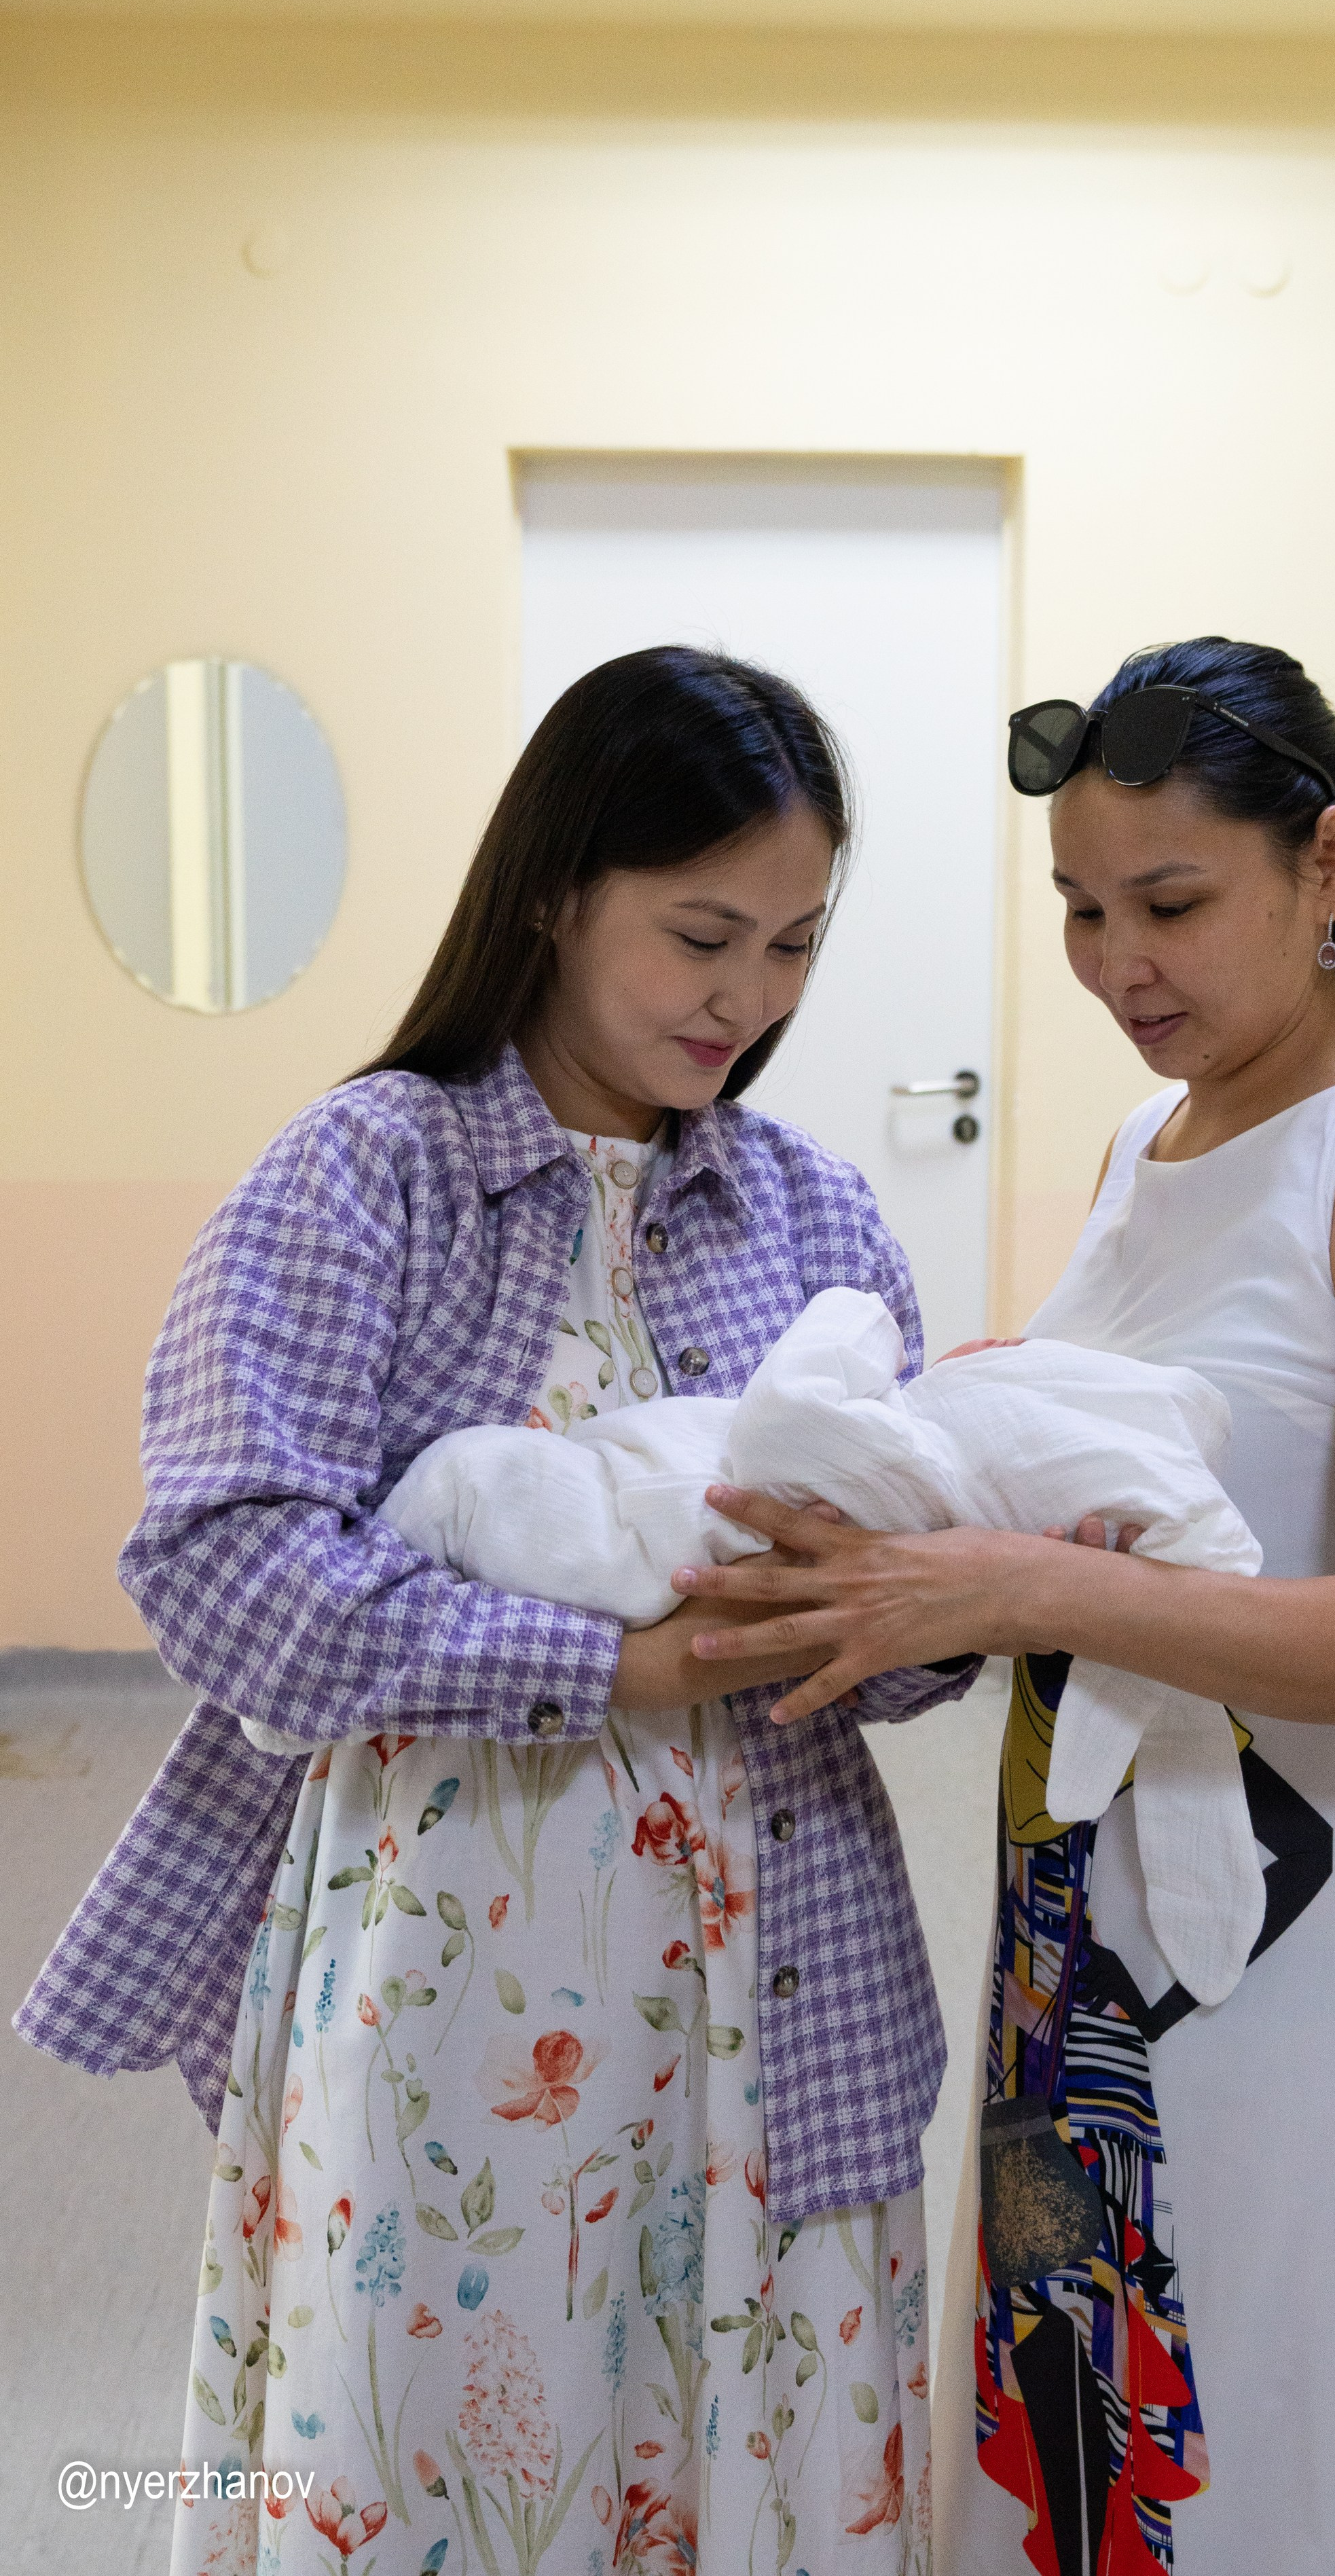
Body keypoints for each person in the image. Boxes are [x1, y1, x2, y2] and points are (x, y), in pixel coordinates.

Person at [17, 646, 963, 2576]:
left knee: (757, 2417)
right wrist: (620, 1659)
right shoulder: (365, 1177)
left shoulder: (811, 1211)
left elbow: (909, 1599)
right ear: (551, 886)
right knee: (461, 2407)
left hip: (774, 1975)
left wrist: (920, 1601)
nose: (746, 1001)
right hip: (463, 1974)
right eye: (701, 933)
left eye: (791, 947)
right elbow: (223, 1566)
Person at [671, 638, 1335, 2576]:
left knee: (1260, 2434)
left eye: (1169, 905)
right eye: (1078, 909)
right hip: (1080, 1924)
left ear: (1324, 868)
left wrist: (1010, 1576)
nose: (1115, 963)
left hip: (1300, 1949)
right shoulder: (1136, 1149)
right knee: (1081, 2439)